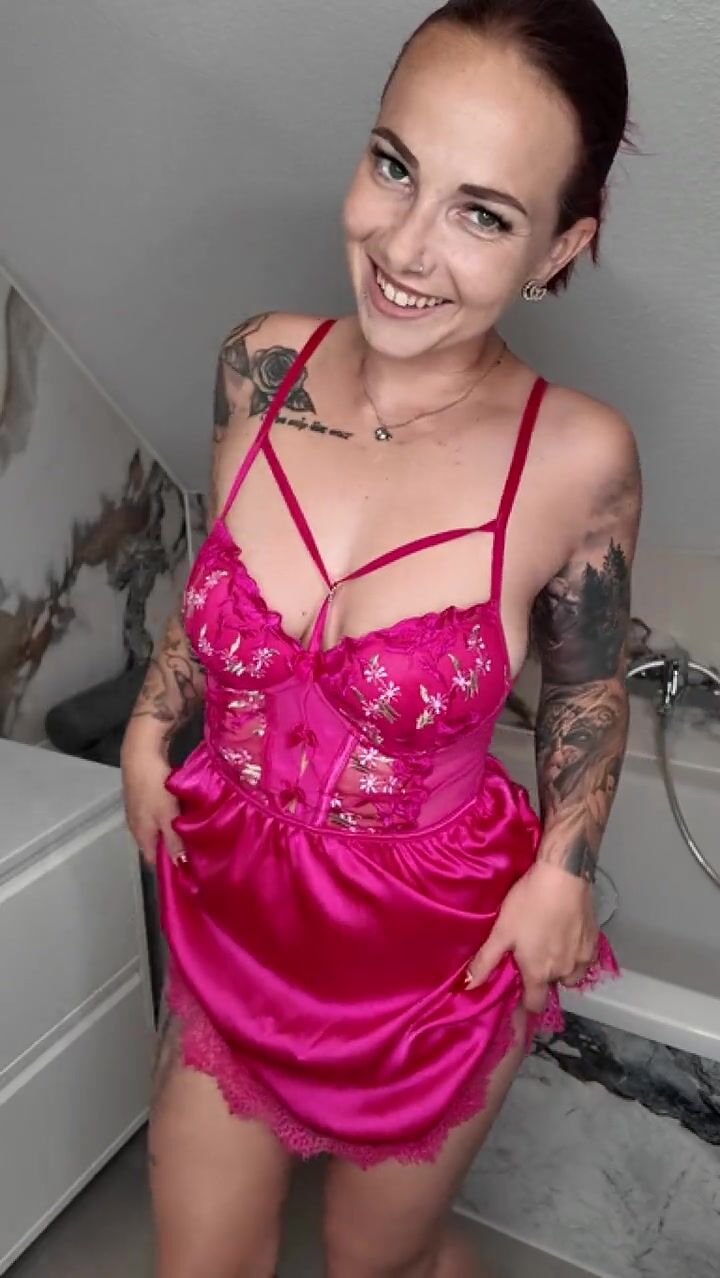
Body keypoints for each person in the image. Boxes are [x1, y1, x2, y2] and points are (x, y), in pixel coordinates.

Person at [121, 1, 642, 1274]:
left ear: (561, 244)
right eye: (394, 166)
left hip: (431, 961)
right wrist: (150, 722)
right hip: (234, 913)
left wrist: (563, 869)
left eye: (484, 214)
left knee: (379, 1263)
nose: (406, 248)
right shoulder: (259, 365)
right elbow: (221, 567)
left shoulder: (576, 457)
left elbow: (587, 685)